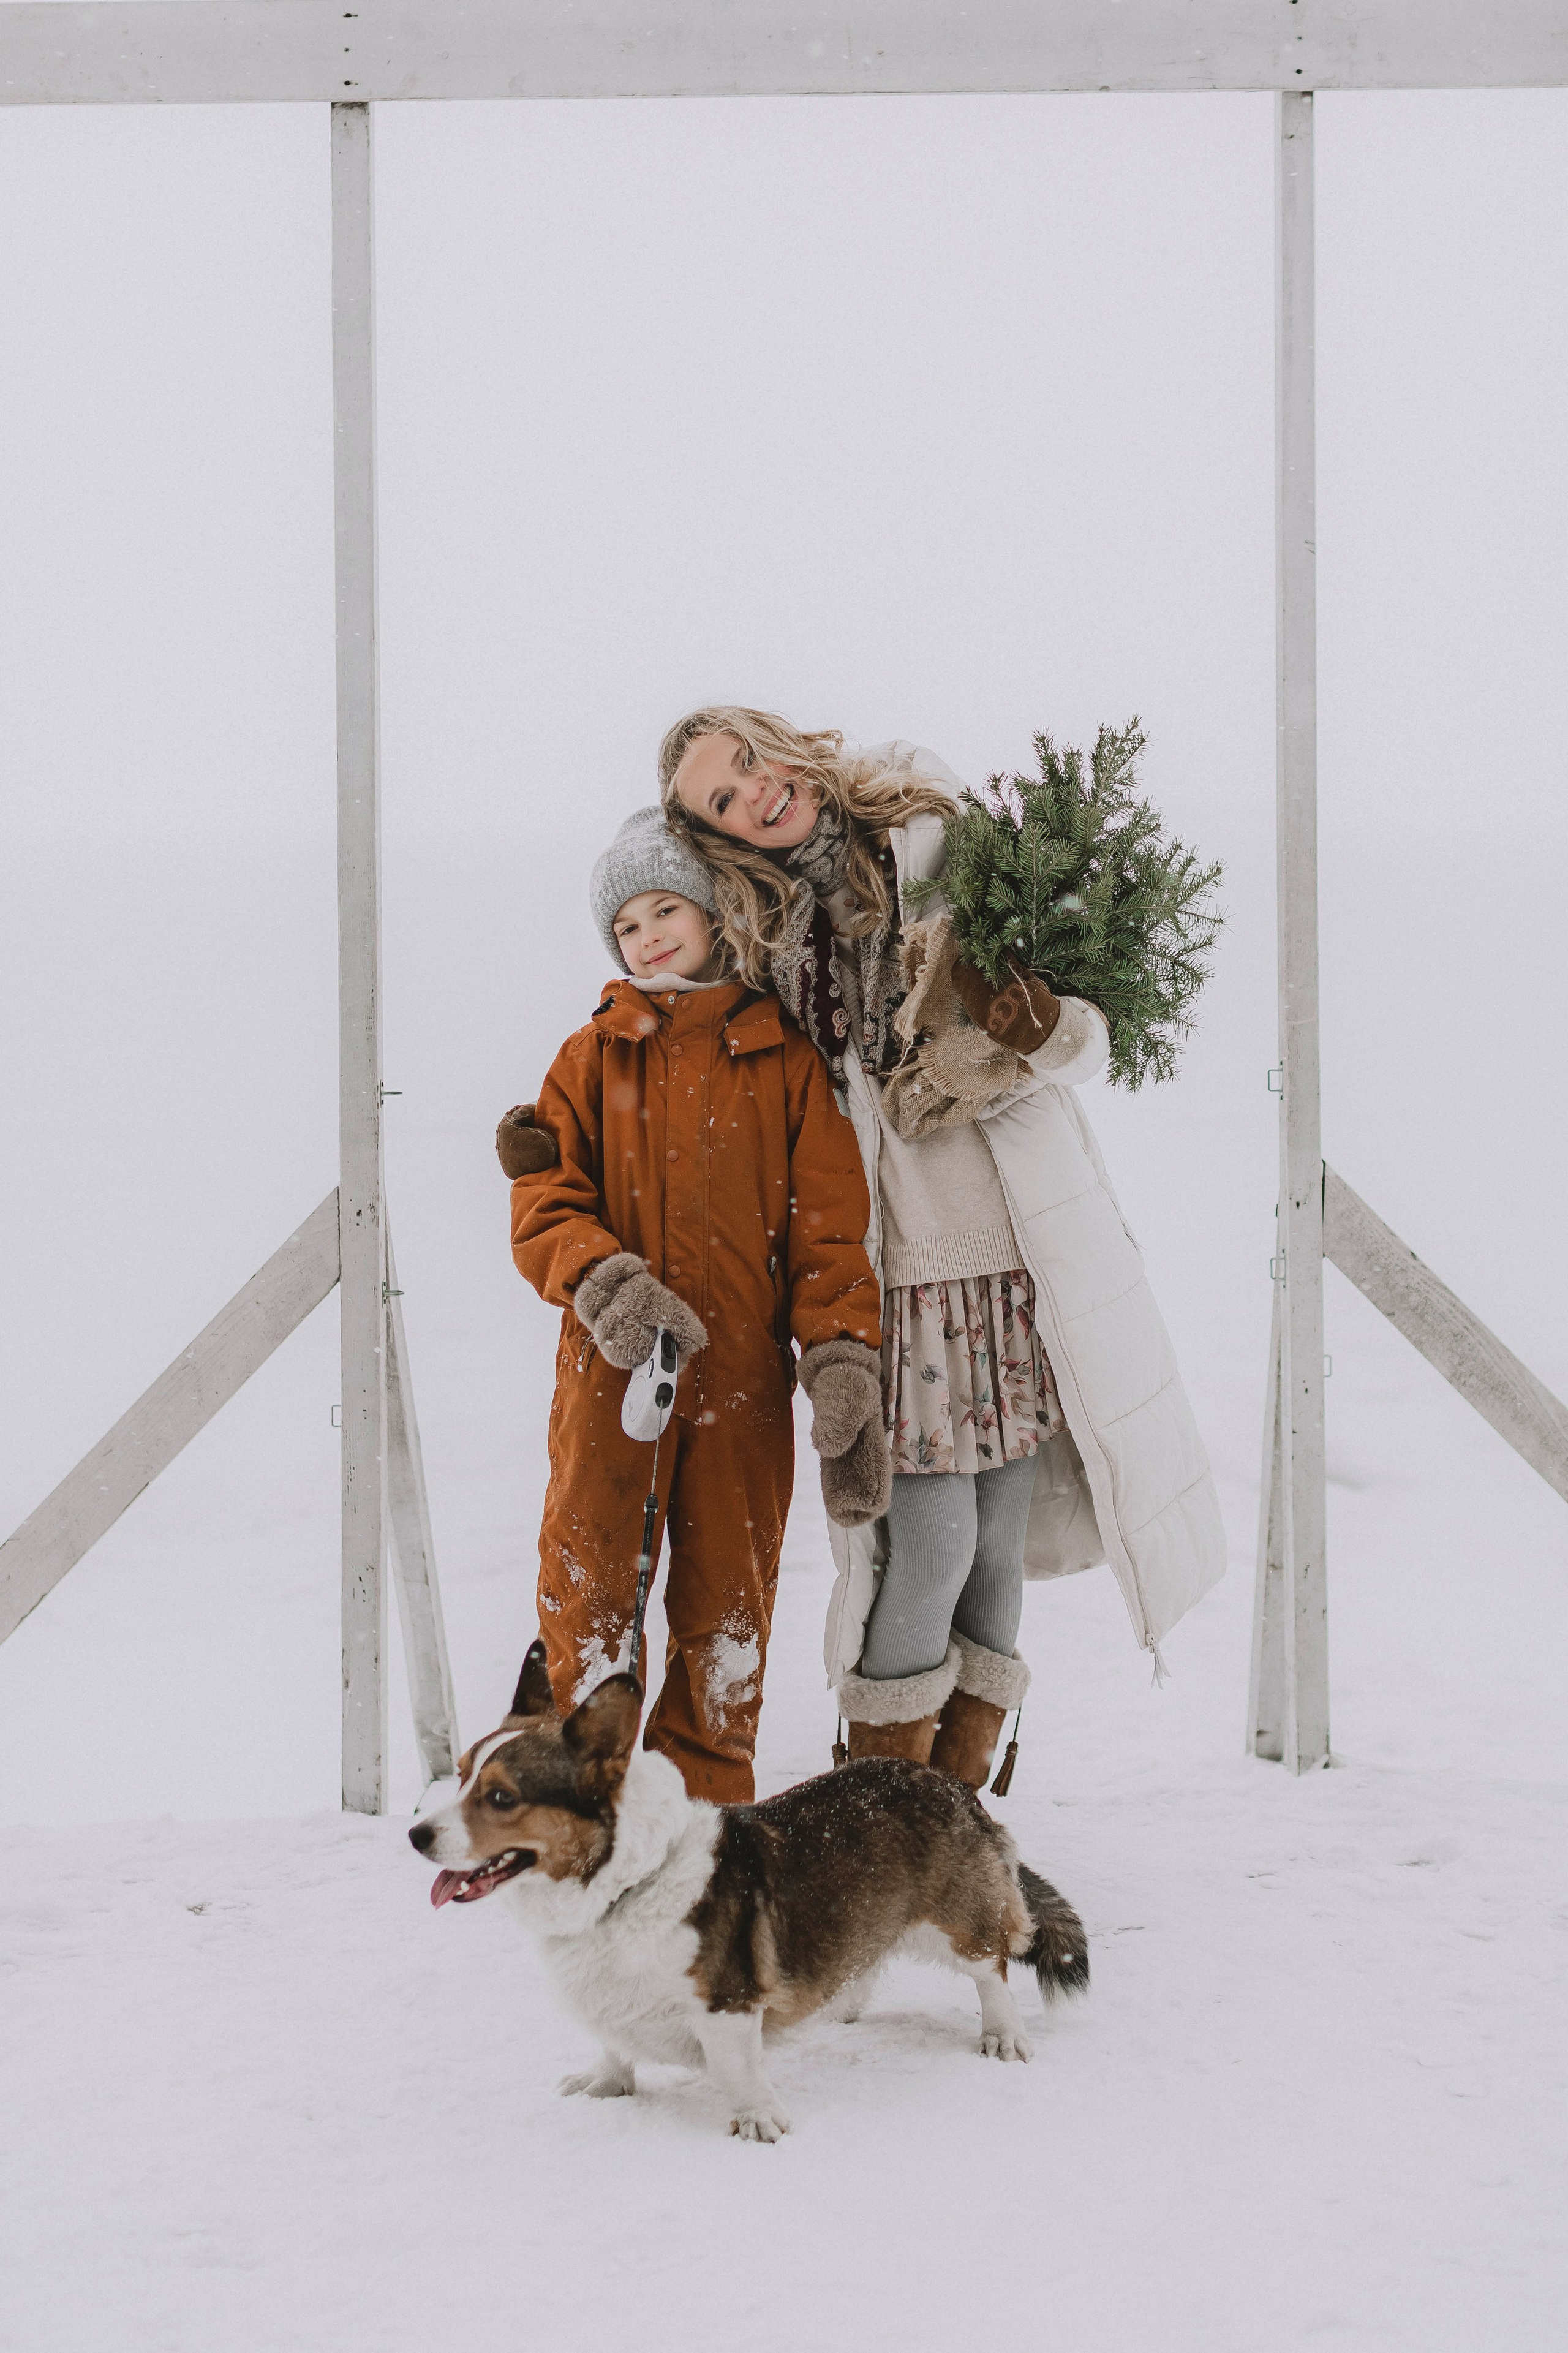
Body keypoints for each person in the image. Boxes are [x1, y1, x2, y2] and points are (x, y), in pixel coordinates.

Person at [662, 709, 1227, 1792]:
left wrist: (1039, 1026)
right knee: (928, 1548)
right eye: (723, 801)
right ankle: (881, 1817)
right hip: (892, 1278)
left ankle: (946, 1824)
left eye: (749, 760)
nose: (755, 791)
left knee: (997, 1549)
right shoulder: (760, 943)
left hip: (1016, 1262)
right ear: (718, 835)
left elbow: (1085, 1032)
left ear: (780, 742)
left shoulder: (934, 836)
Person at [500, 806, 886, 1803]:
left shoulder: (785, 1062)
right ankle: (570, 1801)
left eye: (664, 910)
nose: (647, 937)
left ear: (715, 911)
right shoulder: (591, 1058)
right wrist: (604, 1281)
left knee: (728, 1610)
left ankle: (708, 1811)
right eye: (626, 926)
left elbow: (829, 1237)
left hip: (742, 1388)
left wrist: (841, 1363)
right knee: (590, 1587)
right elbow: (544, 1201)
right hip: (613, 1380)